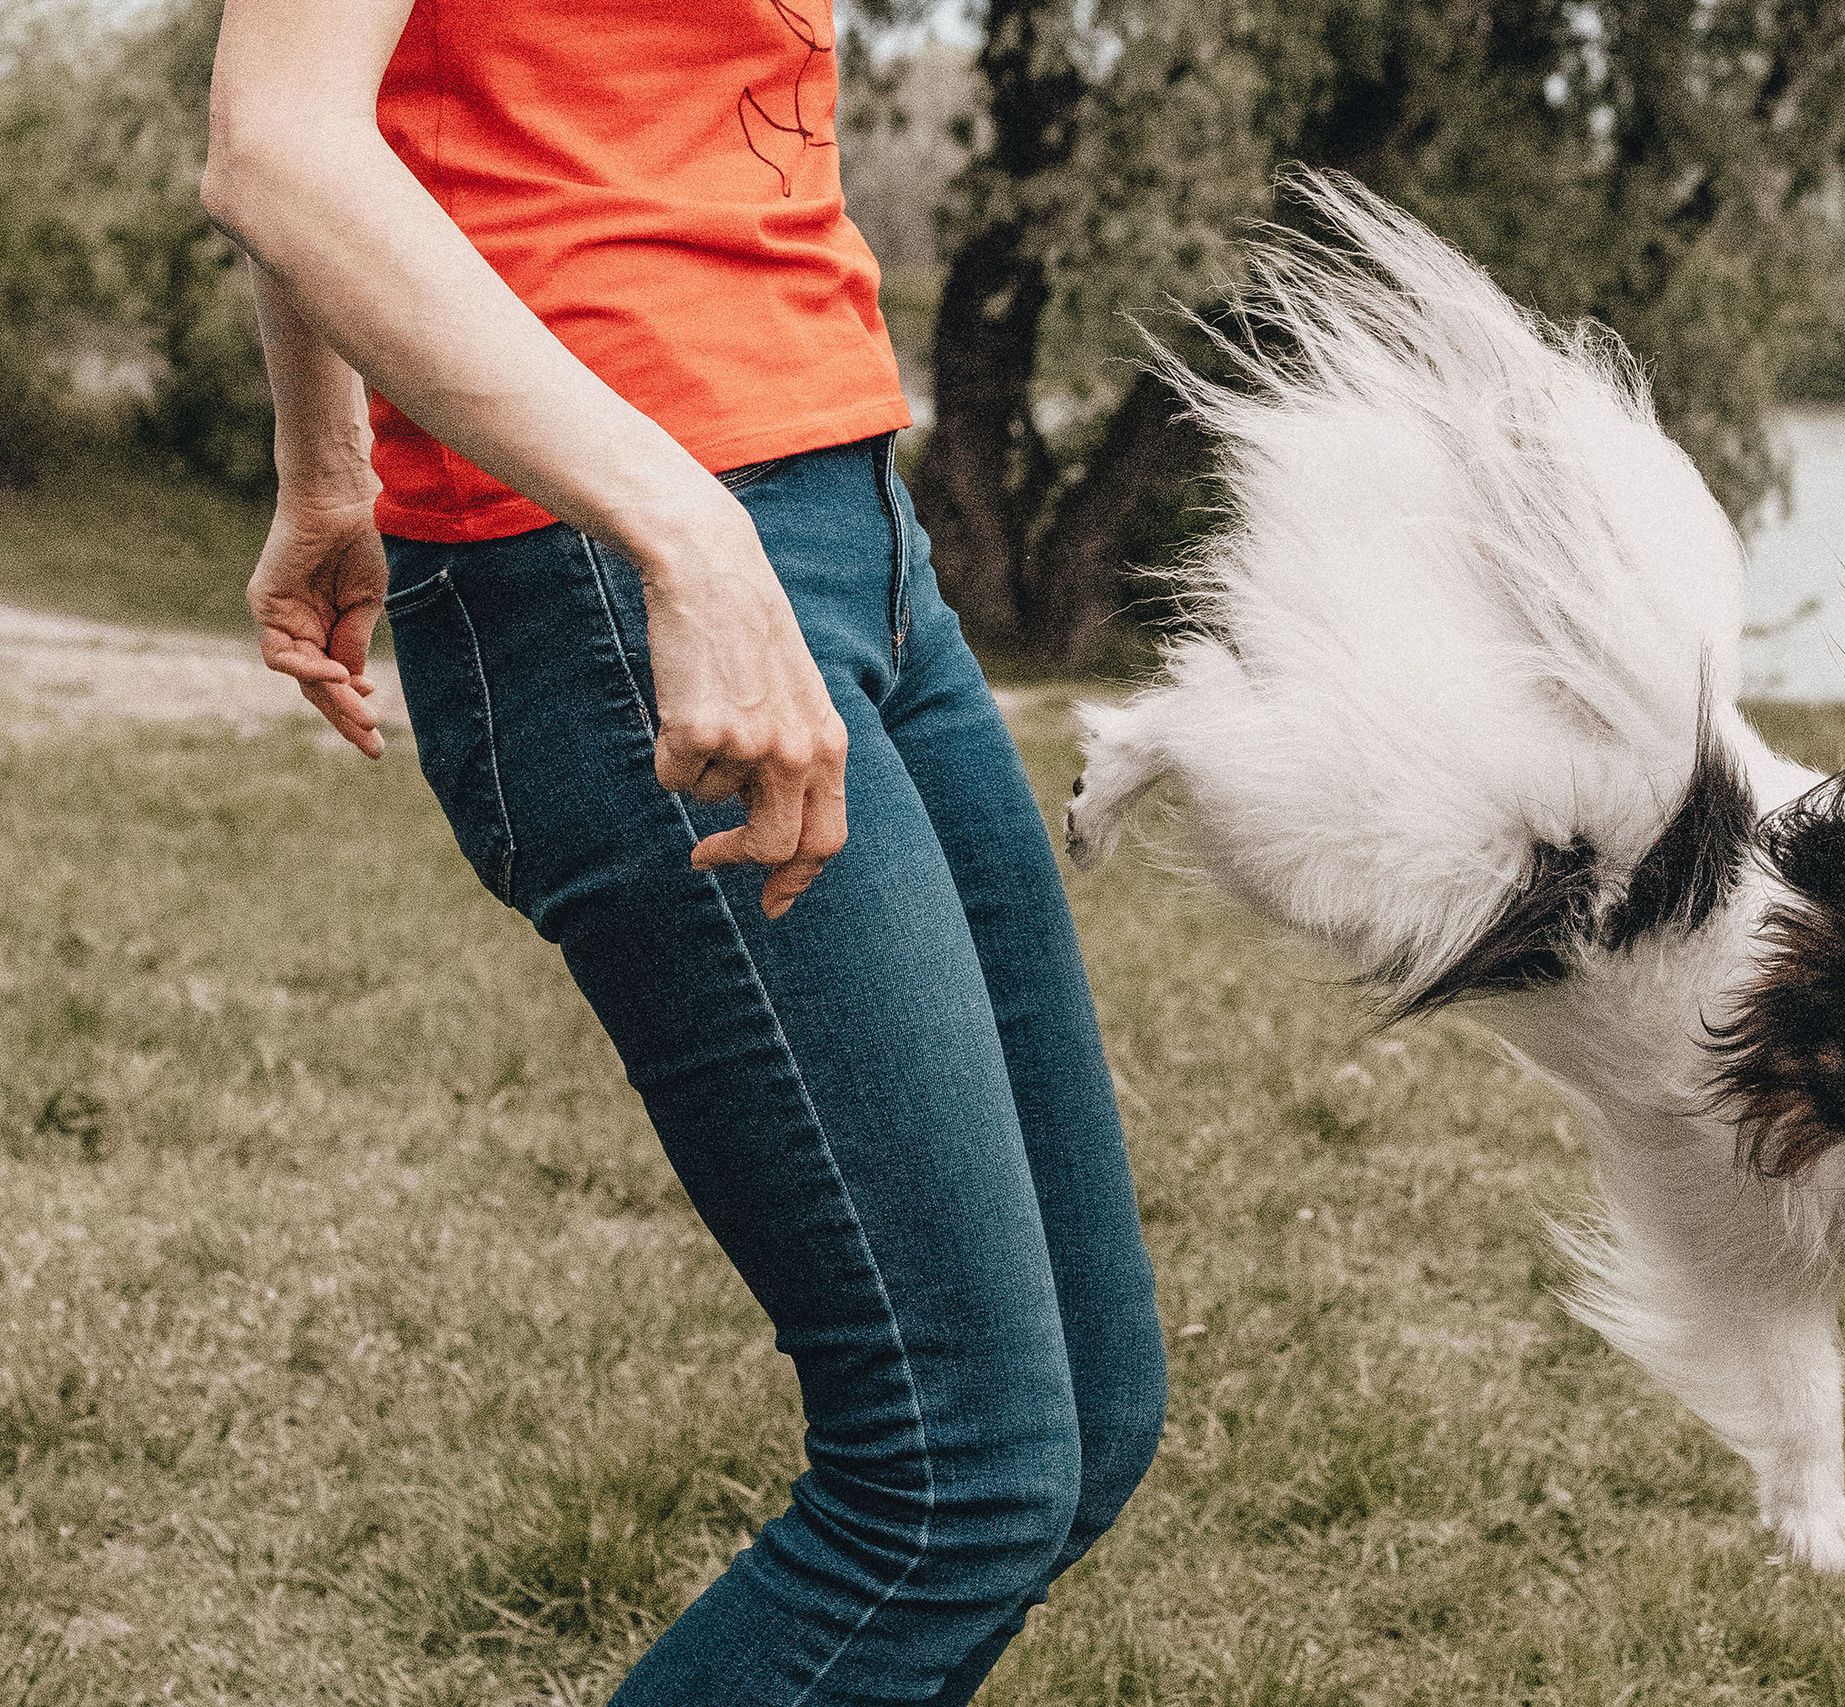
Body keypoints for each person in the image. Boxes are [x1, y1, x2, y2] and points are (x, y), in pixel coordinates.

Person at [199, 1, 1167, 1700]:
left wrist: (327, 453)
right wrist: (678, 531)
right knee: (947, 1481)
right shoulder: (662, 536)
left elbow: (424, 95)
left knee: (1080, 1419)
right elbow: (279, 138)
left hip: (841, 525)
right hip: (622, 554)